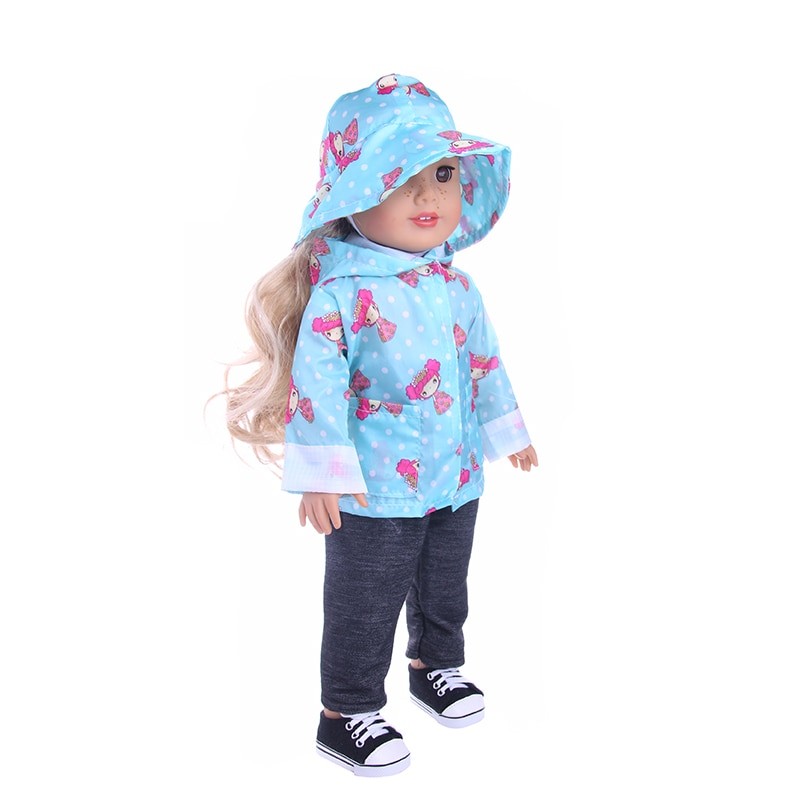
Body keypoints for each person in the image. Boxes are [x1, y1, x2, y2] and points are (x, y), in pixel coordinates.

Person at [224, 73, 538, 777]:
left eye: (444, 174)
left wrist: (508, 432)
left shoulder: (457, 287)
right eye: (401, 179)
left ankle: (436, 666)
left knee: (445, 583)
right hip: (374, 490)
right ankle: (347, 711)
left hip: (456, 474)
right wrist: (321, 476)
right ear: (352, 195)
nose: (429, 197)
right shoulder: (340, 295)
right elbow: (317, 391)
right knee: (364, 601)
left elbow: (484, 362)